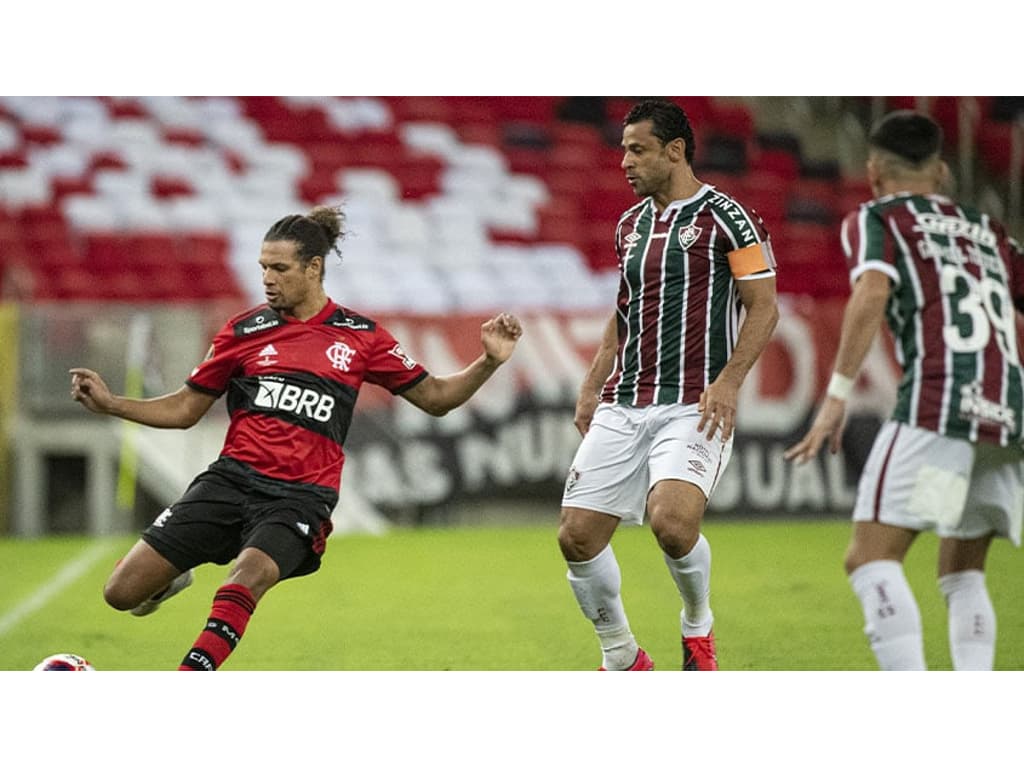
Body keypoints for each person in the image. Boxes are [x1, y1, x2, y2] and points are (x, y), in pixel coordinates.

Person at [70, 205, 523, 671]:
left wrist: (487, 362)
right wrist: (112, 404)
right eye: (263, 267)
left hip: (299, 498)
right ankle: (173, 577)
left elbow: (436, 398)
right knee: (120, 593)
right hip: (230, 482)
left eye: (280, 268)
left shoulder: (361, 337)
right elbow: (187, 408)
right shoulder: (244, 331)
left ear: (313, 268)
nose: (267, 278)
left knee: (245, 579)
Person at [784, 110, 1024, 671]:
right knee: (963, 570)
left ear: (873, 172)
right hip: (1004, 418)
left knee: (871, 559)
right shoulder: (989, 231)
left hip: (938, 408)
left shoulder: (878, 219)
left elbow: (871, 291)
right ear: (941, 172)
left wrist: (837, 395)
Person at [557, 99, 779, 671]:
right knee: (576, 537)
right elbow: (623, 310)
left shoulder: (732, 219)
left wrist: (729, 383)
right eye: (623, 150)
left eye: (638, 150)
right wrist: (591, 384)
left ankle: (697, 625)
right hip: (626, 400)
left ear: (674, 151)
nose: (624, 162)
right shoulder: (629, 225)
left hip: (694, 402)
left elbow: (763, 308)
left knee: (673, 525)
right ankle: (623, 656)